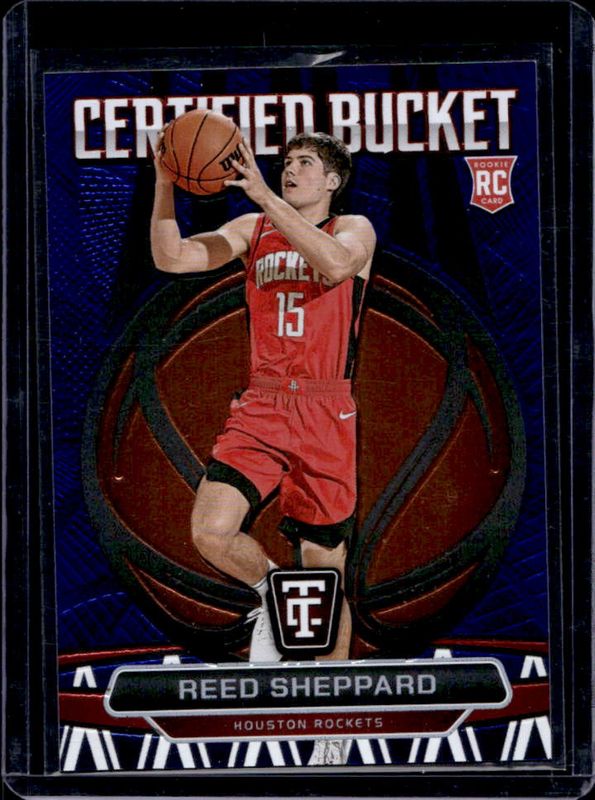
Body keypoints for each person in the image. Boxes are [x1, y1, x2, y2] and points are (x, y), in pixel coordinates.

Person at [151, 131, 376, 669]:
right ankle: (276, 598)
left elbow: (337, 266)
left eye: (305, 163)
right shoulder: (252, 229)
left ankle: (332, 711)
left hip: (325, 408)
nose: (290, 170)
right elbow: (172, 258)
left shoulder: (352, 227)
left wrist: (265, 197)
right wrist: (164, 183)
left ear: (332, 180)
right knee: (210, 531)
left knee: (324, 576)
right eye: (287, 161)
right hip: (264, 404)